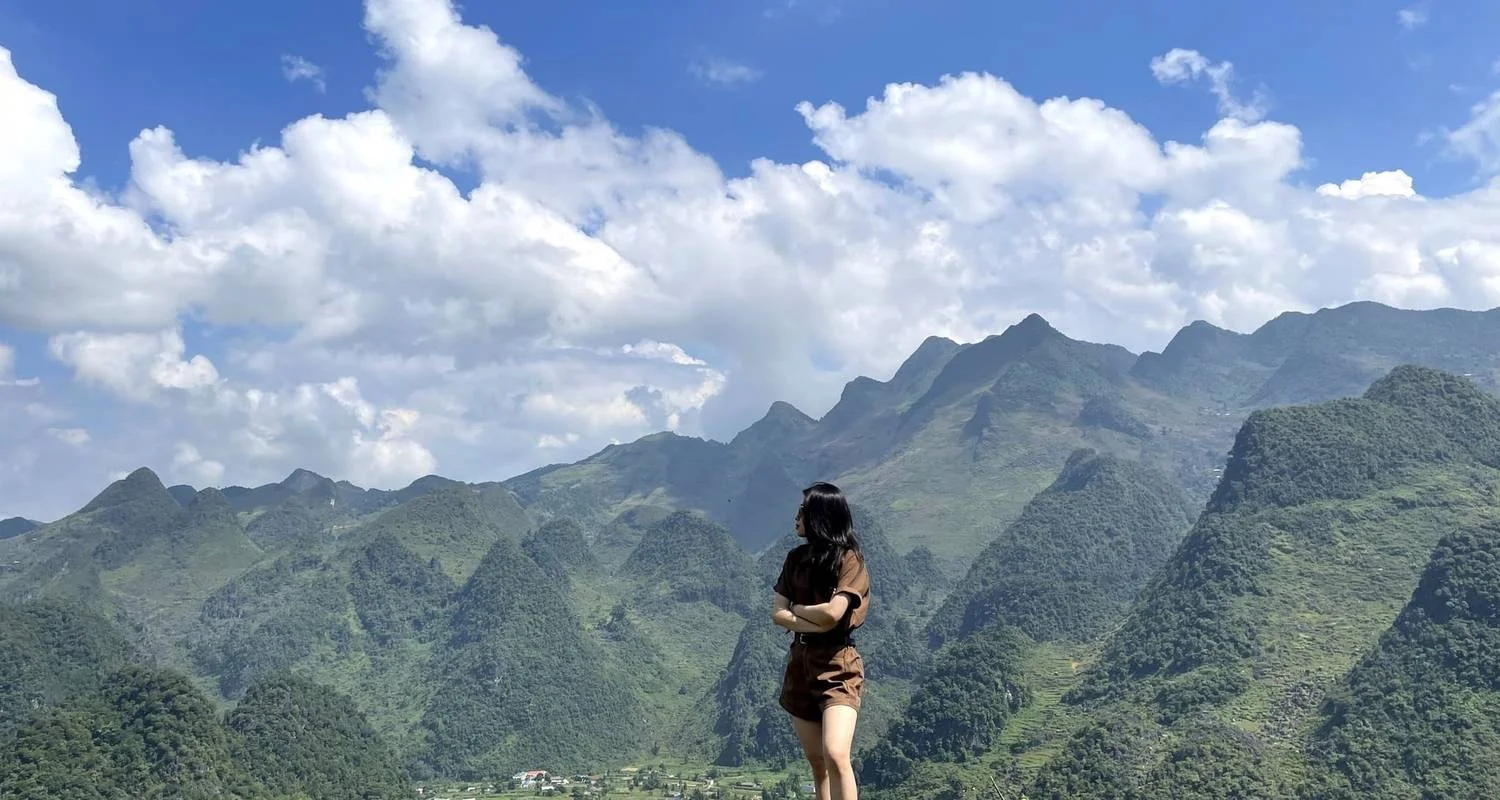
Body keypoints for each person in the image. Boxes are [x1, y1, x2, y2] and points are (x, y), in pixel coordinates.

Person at [770, 481, 872, 800]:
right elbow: (777, 614)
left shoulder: (849, 560)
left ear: (820, 516)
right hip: (800, 666)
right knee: (817, 763)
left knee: (836, 754)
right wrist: (813, 618)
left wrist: (798, 610)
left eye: (803, 510)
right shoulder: (795, 559)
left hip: (838, 666)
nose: (796, 516)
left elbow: (834, 614)